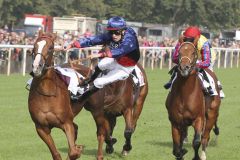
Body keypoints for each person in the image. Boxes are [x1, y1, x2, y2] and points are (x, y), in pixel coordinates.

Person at [64, 16, 140, 100]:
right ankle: (88, 81)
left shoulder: (130, 38)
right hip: (116, 60)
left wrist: (100, 55)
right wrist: (73, 44)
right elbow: (94, 40)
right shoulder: (113, 35)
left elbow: (121, 50)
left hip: (125, 68)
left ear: (123, 31)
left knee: (99, 82)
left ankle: (80, 96)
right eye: (111, 32)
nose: (113, 35)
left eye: (116, 32)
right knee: (100, 65)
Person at [164, 26, 225, 98]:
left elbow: (206, 62)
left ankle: (214, 87)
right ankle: (171, 82)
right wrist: (184, 61)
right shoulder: (182, 39)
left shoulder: (203, 43)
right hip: (191, 58)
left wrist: (195, 64)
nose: (188, 41)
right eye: (187, 38)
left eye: (191, 39)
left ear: (197, 38)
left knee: (206, 71)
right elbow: (174, 58)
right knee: (179, 68)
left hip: (205, 58)